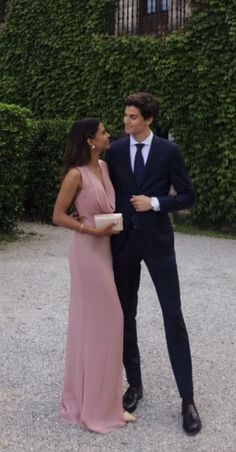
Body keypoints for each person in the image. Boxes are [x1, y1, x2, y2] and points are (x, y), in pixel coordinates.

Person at [106, 92, 202, 435]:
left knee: (173, 316)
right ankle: (135, 384)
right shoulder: (115, 150)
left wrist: (157, 203)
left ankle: (188, 399)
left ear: (149, 120)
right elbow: (104, 189)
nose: (126, 122)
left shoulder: (168, 151)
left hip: (159, 244)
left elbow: (188, 196)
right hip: (124, 245)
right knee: (125, 315)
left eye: (132, 117)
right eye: (126, 116)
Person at [53, 118, 135, 433]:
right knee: (110, 319)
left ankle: (105, 401)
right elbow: (58, 215)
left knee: (98, 325)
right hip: (86, 252)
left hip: (105, 249)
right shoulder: (76, 174)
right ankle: (93, 405)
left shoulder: (105, 166)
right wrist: (86, 226)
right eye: (103, 132)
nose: (108, 134)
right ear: (90, 139)